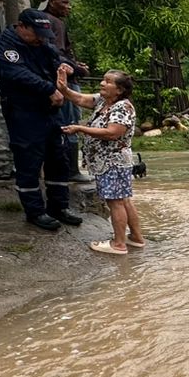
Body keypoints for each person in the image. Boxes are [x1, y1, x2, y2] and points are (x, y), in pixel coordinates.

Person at [0, 9, 83, 231]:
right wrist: (49, 89)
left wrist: (69, 67)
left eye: (44, 35)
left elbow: (54, 58)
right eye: (36, 34)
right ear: (22, 26)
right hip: (23, 111)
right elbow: (17, 74)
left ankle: (59, 206)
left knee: (58, 158)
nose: (40, 39)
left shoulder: (41, 44)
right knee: (29, 160)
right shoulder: (4, 46)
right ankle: (35, 211)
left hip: (50, 111)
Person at [58, 65, 144, 255]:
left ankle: (119, 244)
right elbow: (79, 98)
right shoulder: (103, 101)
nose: (102, 83)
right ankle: (136, 238)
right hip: (109, 162)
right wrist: (64, 89)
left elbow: (112, 133)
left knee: (116, 203)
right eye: (103, 80)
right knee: (124, 201)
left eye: (108, 82)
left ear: (119, 90)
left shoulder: (122, 107)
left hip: (113, 162)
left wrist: (80, 128)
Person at [38, 0, 90, 182]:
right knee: (70, 122)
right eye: (64, 2)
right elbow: (56, 56)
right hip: (63, 80)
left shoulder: (42, 21)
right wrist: (77, 69)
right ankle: (71, 171)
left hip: (51, 81)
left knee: (57, 123)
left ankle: (56, 169)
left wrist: (75, 63)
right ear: (51, 3)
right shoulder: (54, 22)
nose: (69, 6)